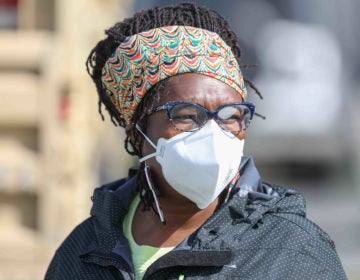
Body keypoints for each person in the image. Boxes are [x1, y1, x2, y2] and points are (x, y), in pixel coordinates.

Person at [45, 3, 346, 279]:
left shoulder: (290, 252)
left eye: (231, 116)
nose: (215, 135)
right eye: (188, 116)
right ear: (137, 133)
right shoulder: (84, 254)